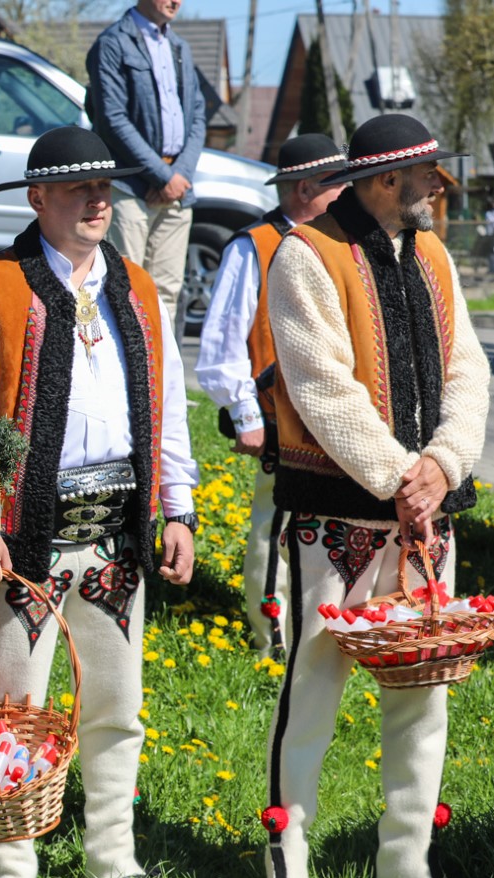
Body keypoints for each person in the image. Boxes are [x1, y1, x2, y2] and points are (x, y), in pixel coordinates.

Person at [0, 126, 199, 878]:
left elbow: (168, 405)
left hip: (117, 528)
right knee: (12, 704)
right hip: (25, 534)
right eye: (79, 188)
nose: (97, 200)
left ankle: (111, 853)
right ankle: (11, 868)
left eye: (104, 187)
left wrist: (179, 508)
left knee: (117, 702)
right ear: (37, 197)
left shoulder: (137, 287)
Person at [261, 114, 489, 878]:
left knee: (424, 693)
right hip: (338, 514)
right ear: (386, 180)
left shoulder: (433, 254)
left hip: (427, 515)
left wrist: (444, 464)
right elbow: (320, 384)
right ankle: (287, 858)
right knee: (312, 685)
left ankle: (408, 867)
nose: (438, 186)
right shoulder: (307, 254)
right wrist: (399, 474)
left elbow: (468, 370)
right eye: (427, 173)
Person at [195, 133, 344, 655]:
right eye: (337, 184)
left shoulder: (338, 242)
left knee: (327, 525)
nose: (347, 193)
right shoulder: (253, 246)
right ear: (305, 188)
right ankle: (271, 637)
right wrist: (245, 413)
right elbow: (222, 339)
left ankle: (322, 627)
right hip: (277, 413)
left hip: (333, 413)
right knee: (275, 526)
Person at [85, 0, 205, 324]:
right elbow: (112, 119)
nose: (176, 2)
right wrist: (161, 177)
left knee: (167, 293)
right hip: (128, 188)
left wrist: (177, 176)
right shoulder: (112, 43)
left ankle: (159, 359)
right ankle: (125, 359)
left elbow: (198, 116)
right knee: (121, 287)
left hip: (177, 188)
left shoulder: (179, 46)